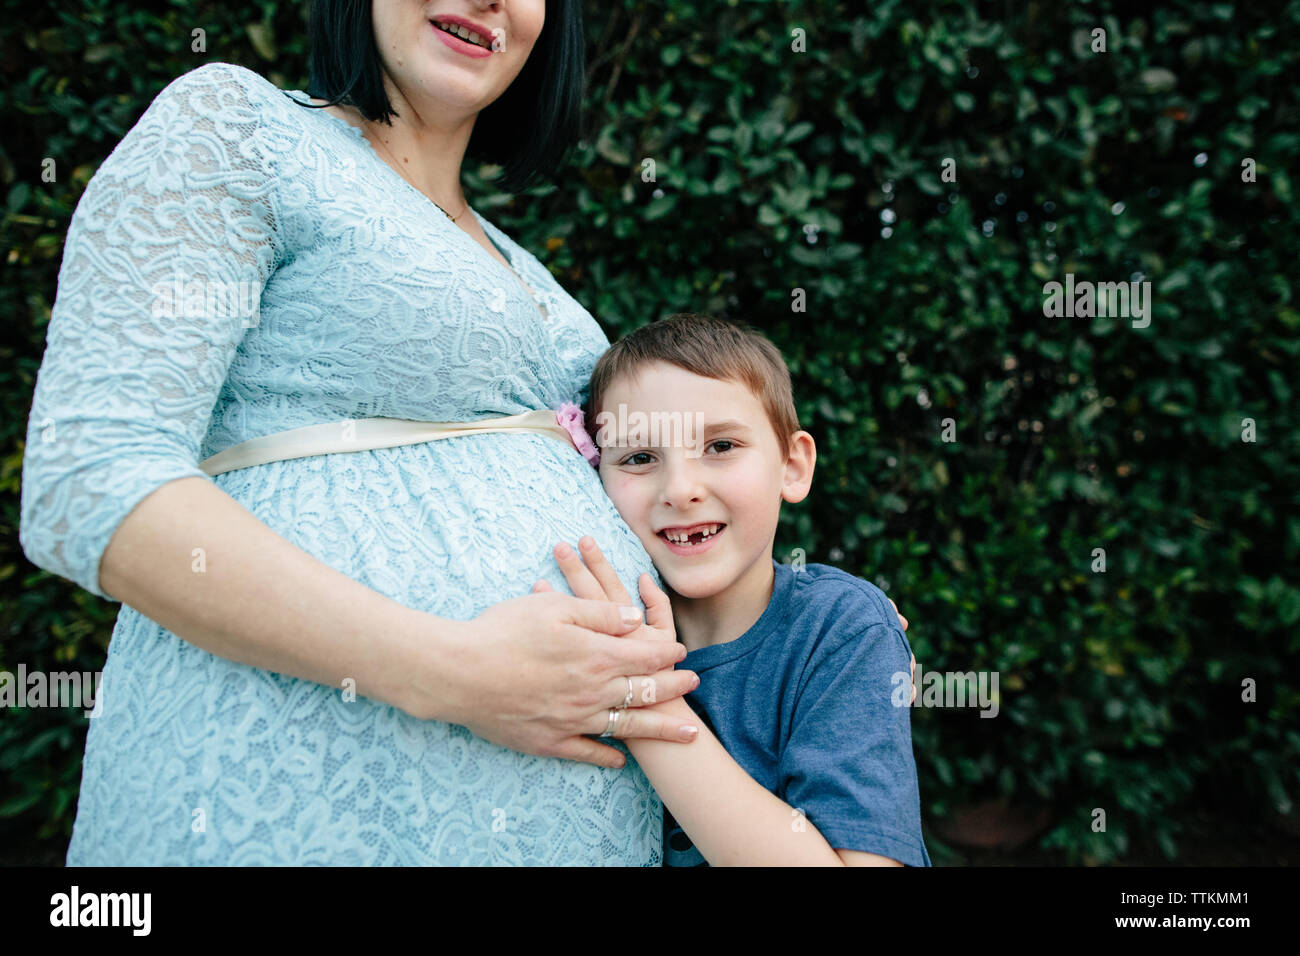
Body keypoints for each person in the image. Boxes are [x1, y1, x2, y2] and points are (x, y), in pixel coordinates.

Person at [18, 0, 710, 865]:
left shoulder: (521, 264)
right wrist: (456, 673)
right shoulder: (240, 127)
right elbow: (88, 479)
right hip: (281, 803)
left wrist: (817, 625)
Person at [534, 314, 930, 866]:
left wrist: (646, 697)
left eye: (720, 446)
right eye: (640, 458)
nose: (681, 490)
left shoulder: (839, 632)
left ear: (792, 466)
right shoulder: (595, 623)